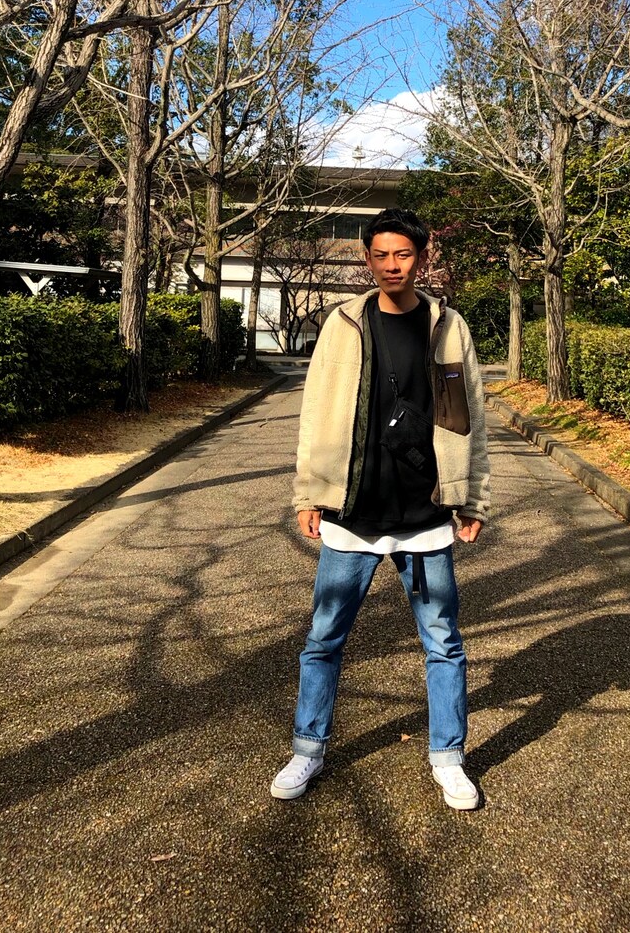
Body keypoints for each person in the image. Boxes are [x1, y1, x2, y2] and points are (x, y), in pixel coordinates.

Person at [270, 207, 491, 810]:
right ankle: (308, 749)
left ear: (423, 257)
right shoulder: (343, 323)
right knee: (323, 638)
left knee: (443, 641)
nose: (393, 265)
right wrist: (309, 491)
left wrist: (472, 497)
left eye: (404, 254)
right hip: (353, 511)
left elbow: (467, 416)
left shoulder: (448, 326)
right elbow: (316, 413)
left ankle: (449, 757)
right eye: (381, 254)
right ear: (367, 259)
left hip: (425, 514)